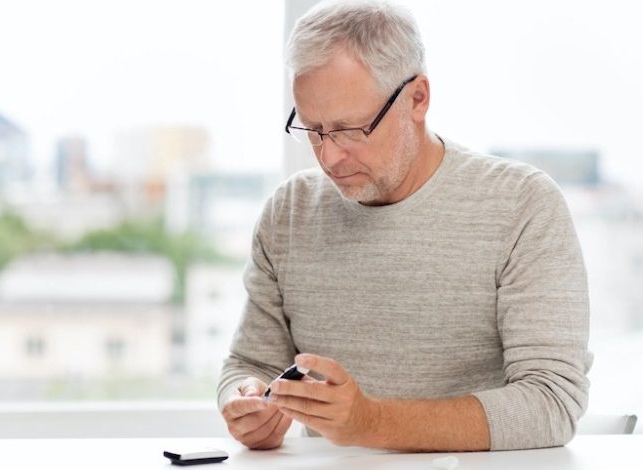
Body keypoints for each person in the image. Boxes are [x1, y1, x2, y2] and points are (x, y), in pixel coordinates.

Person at [218, 0, 592, 452]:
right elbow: (249, 363)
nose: (330, 156)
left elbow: (551, 404)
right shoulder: (290, 211)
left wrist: (369, 421)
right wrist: (247, 401)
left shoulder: (521, 204)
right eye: (313, 129)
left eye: (351, 128)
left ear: (417, 98)